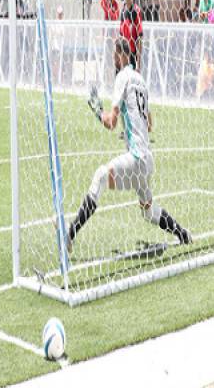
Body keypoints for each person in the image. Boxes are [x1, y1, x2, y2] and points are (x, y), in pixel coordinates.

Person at [67, 37, 191, 253]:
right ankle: (183, 234)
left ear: (122, 54)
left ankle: (69, 234)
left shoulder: (122, 77)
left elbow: (111, 123)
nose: (113, 59)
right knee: (148, 212)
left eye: (115, 55)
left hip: (135, 158)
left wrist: (97, 110)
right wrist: (131, 126)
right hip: (147, 160)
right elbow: (150, 124)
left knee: (100, 176)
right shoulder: (140, 80)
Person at [119, 0, 143, 70]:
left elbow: (139, 38)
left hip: (132, 54)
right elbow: (121, 34)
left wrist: (139, 64)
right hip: (123, 55)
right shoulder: (123, 11)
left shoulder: (136, 11)